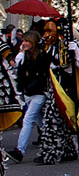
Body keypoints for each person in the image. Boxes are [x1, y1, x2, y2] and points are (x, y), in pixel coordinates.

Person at [36, 18, 79, 164]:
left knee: (52, 121)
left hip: (65, 90)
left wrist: (74, 51)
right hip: (52, 90)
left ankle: (50, 153)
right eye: (45, 31)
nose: (46, 35)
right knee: (60, 121)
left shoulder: (68, 46)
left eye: (49, 31)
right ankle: (69, 150)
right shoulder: (48, 48)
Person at [6, 30, 48, 163]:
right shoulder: (25, 56)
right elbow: (19, 72)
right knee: (42, 123)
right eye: (22, 41)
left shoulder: (41, 57)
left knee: (28, 119)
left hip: (39, 93)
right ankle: (54, 143)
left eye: (26, 41)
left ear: (33, 42)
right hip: (28, 93)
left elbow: (42, 76)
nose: (23, 43)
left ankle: (20, 151)